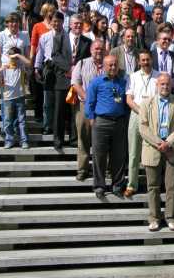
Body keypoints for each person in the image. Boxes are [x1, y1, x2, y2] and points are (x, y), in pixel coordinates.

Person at [139, 73, 174, 231]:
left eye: (167, 84)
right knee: (153, 186)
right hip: (153, 148)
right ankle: (154, 217)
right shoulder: (147, 103)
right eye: (162, 84)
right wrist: (159, 142)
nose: (165, 87)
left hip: (172, 149)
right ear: (157, 85)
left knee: (172, 186)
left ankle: (171, 217)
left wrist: (169, 142)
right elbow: (143, 126)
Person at [85, 55, 128, 199]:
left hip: (119, 122)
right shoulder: (96, 82)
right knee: (99, 156)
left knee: (119, 156)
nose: (113, 67)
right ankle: (99, 186)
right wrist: (92, 120)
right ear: (104, 66)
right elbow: (89, 103)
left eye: (115, 65)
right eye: (110, 65)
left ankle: (117, 185)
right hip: (101, 122)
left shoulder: (123, 82)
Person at [51, 15, 91, 151]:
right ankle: (58, 139)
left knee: (76, 111)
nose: (78, 26)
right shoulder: (59, 38)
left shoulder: (87, 41)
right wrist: (69, 68)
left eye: (80, 24)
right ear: (70, 25)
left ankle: (74, 139)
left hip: (78, 82)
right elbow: (55, 56)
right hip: (62, 79)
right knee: (59, 111)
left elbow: (87, 60)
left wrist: (77, 71)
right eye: (76, 24)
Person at [124, 50, 160, 197]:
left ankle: (154, 183)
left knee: (153, 151)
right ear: (139, 62)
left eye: (148, 60)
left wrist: (149, 114)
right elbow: (129, 99)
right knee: (133, 152)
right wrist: (141, 111)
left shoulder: (158, 76)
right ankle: (132, 184)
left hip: (153, 116)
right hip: (136, 114)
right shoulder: (132, 77)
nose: (145, 62)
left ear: (152, 60)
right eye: (143, 60)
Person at [71, 40, 105, 181]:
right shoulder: (82, 63)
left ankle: (103, 170)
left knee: (103, 141)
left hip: (103, 108)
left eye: (101, 49)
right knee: (84, 138)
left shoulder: (109, 64)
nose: (99, 51)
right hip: (85, 105)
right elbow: (75, 83)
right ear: (91, 50)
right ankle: (83, 169)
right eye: (96, 48)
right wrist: (88, 98)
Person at [0, 47, 31, 149]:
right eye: (11, 56)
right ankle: (9, 140)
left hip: (20, 97)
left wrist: (17, 55)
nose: (13, 59)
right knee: (8, 121)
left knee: (22, 121)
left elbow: (29, 63)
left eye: (15, 57)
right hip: (8, 98)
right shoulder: (5, 68)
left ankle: (24, 141)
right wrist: (1, 68)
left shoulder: (21, 67)